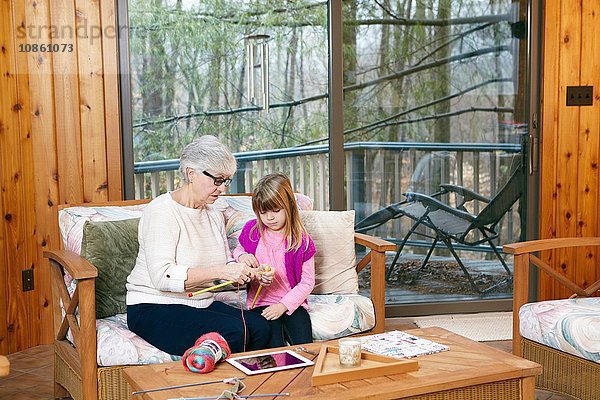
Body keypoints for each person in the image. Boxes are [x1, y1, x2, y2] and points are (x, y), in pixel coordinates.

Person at [126, 135, 274, 356]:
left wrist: (250, 273)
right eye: (217, 180)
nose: (223, 189)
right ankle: (215, 387)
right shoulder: (161, 212)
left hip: (199, 303)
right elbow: (163, 277)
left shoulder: (213, 213)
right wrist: (224, 271)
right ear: (191, 174)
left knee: (262, 327)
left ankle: (253, 385)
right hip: (153, 307)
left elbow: (224, 262)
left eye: (227, 181)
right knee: (235, 332)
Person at [233, 173, 316, 347]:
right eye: (263, 212)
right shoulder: (251, 231)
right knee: (273, 348)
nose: (269, 217)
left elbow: (307, 282)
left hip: (292, 304)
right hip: (260, 304)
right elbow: (238, 250)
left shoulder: (302, 241)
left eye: (276, 211)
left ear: (289, 207)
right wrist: (242, 256)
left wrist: (283, 306)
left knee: (305, 347)